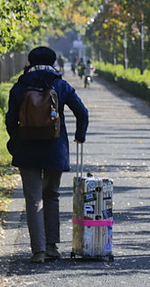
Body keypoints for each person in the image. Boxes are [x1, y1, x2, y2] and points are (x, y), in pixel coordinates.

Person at [6, 46, 90, 263]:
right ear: (53, 62)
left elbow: (10, 119)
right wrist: (79, 135)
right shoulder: (60, 84)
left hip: (27, 149)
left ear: (30, 62)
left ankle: (39, 251)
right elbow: (82, 112)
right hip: (54, 149)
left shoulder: (20, 86)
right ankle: (52, 246)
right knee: (51, 194)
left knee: (33, 199)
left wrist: (16, 139)